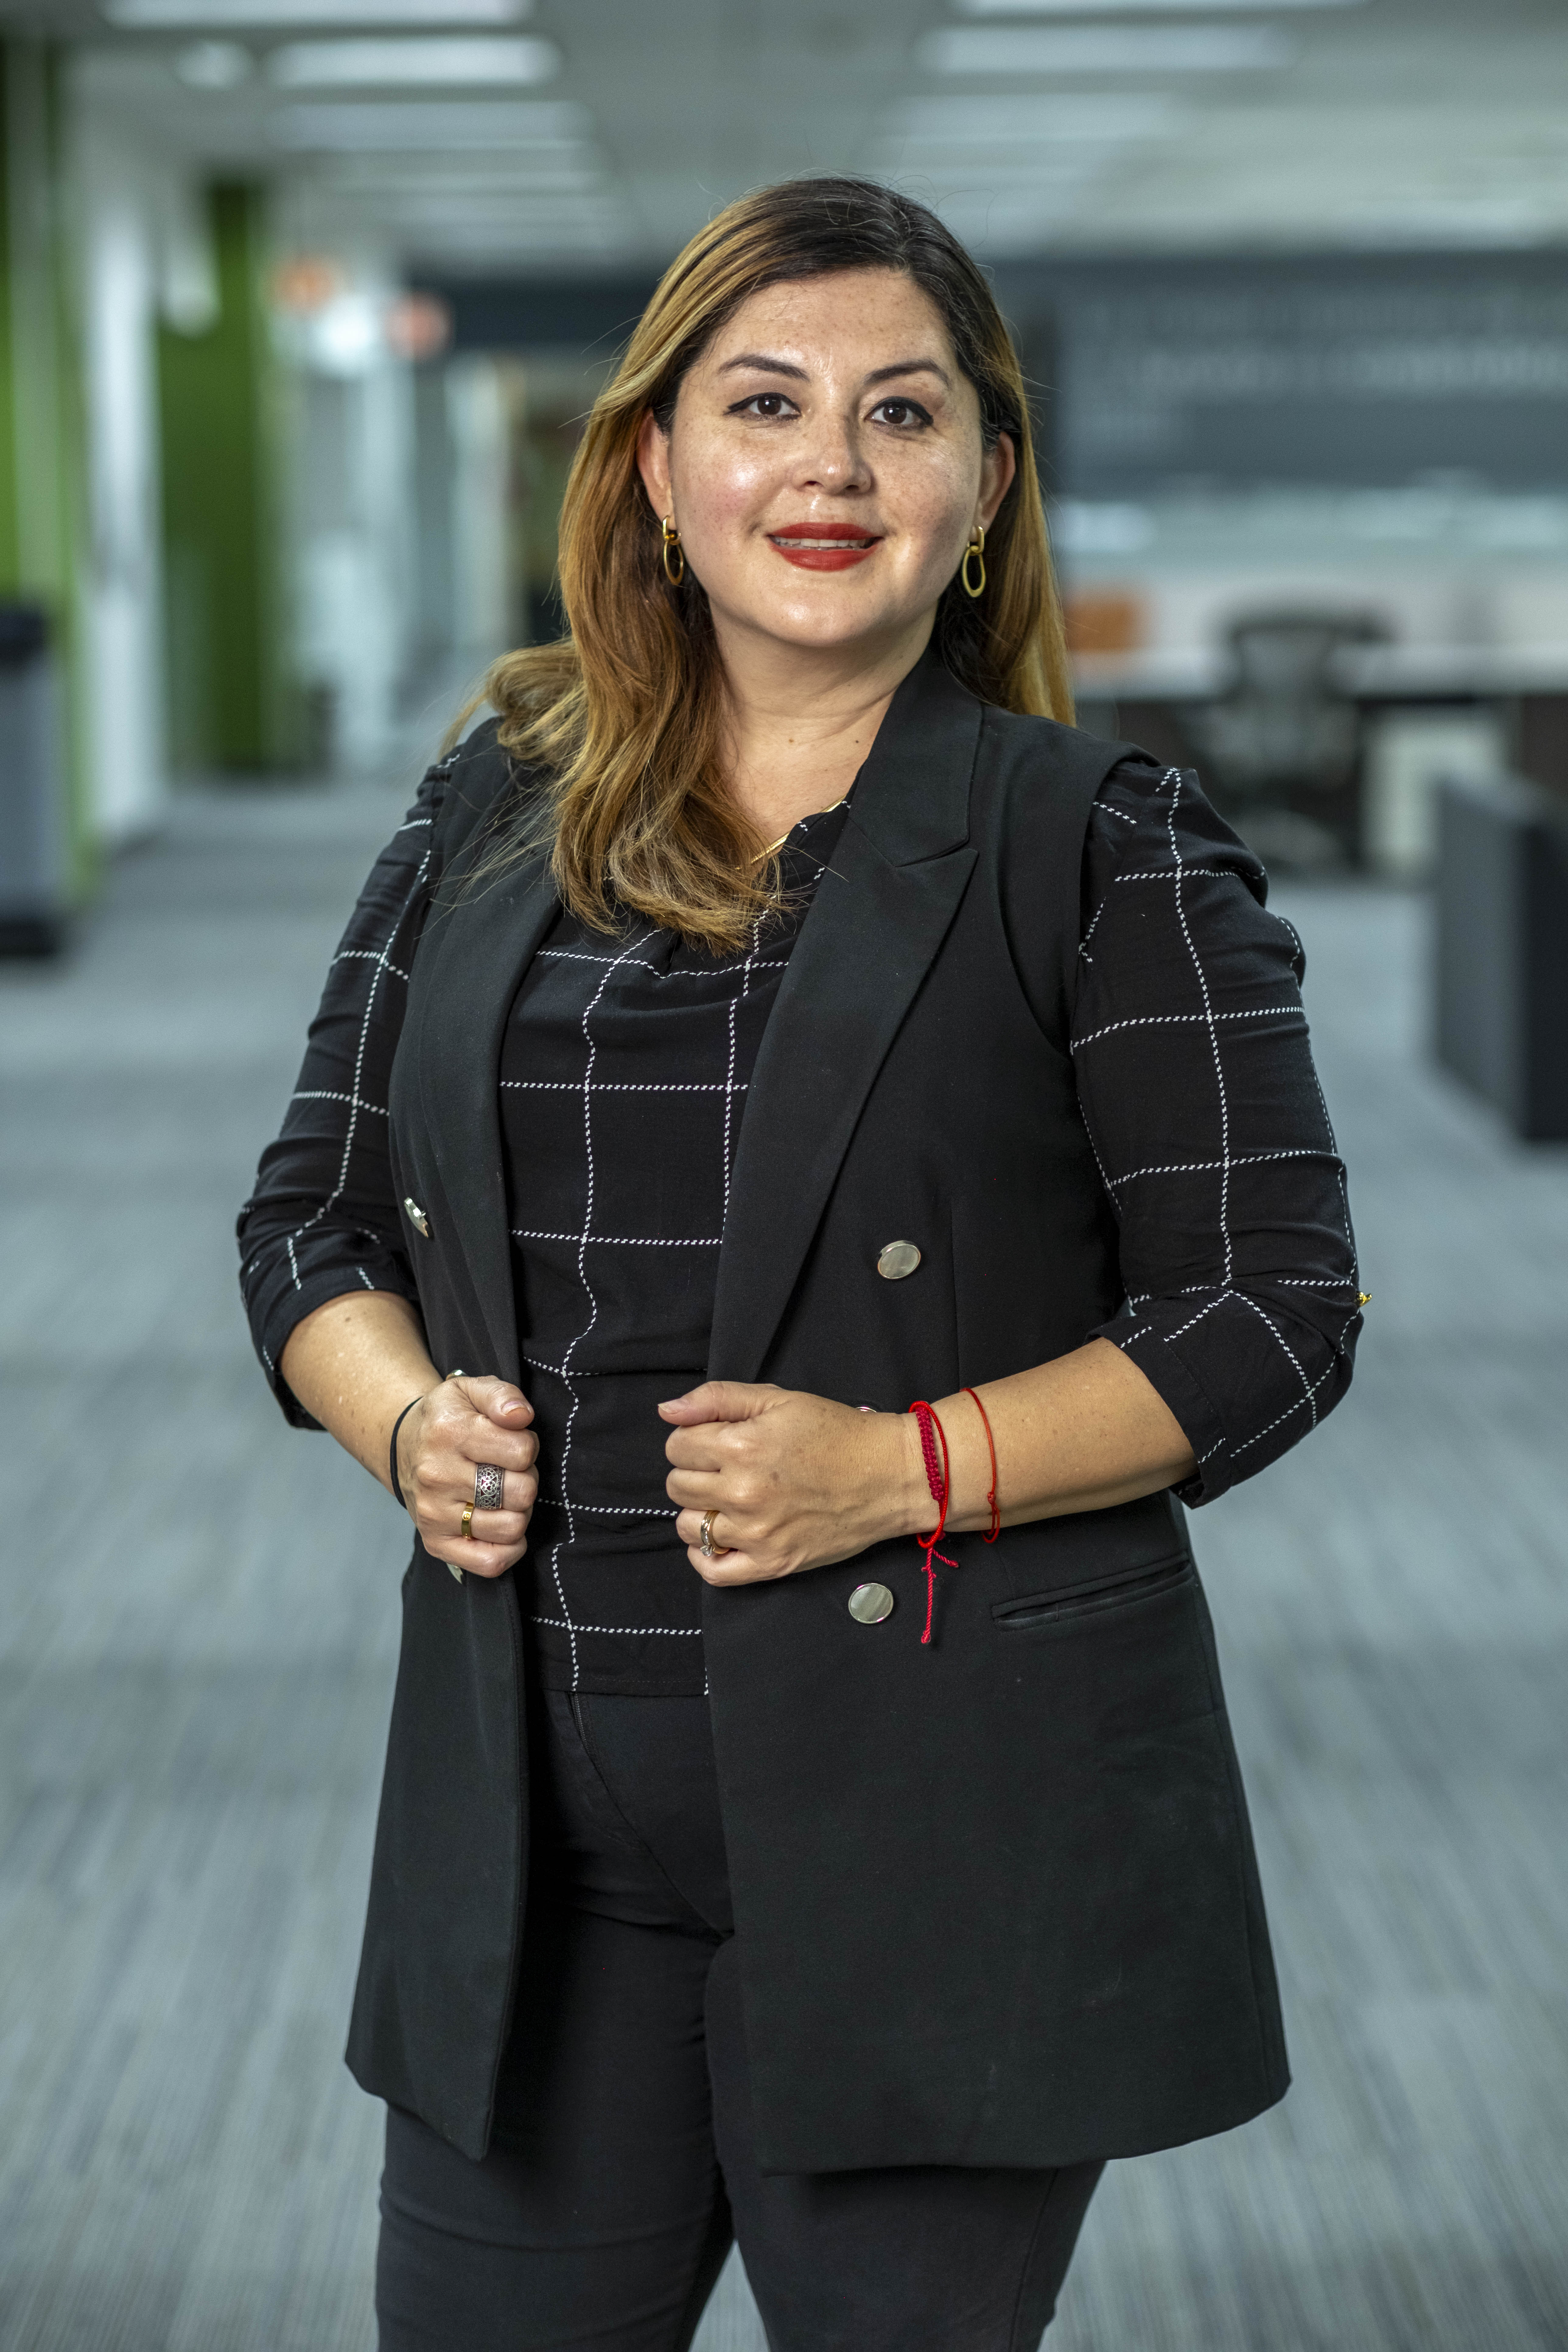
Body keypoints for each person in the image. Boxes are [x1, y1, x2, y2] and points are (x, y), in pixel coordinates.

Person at [239, 177, 1362, 2352]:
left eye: (901, 413)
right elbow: (310, 1218)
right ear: (656, 471)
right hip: (532, 1829)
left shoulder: (1100, 843)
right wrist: (400, 1417)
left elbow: (1271, 1312)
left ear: (986, 487)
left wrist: (896, 1470)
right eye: (764, 405)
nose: (831, 467)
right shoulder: (493, 805)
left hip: (944, 1821)